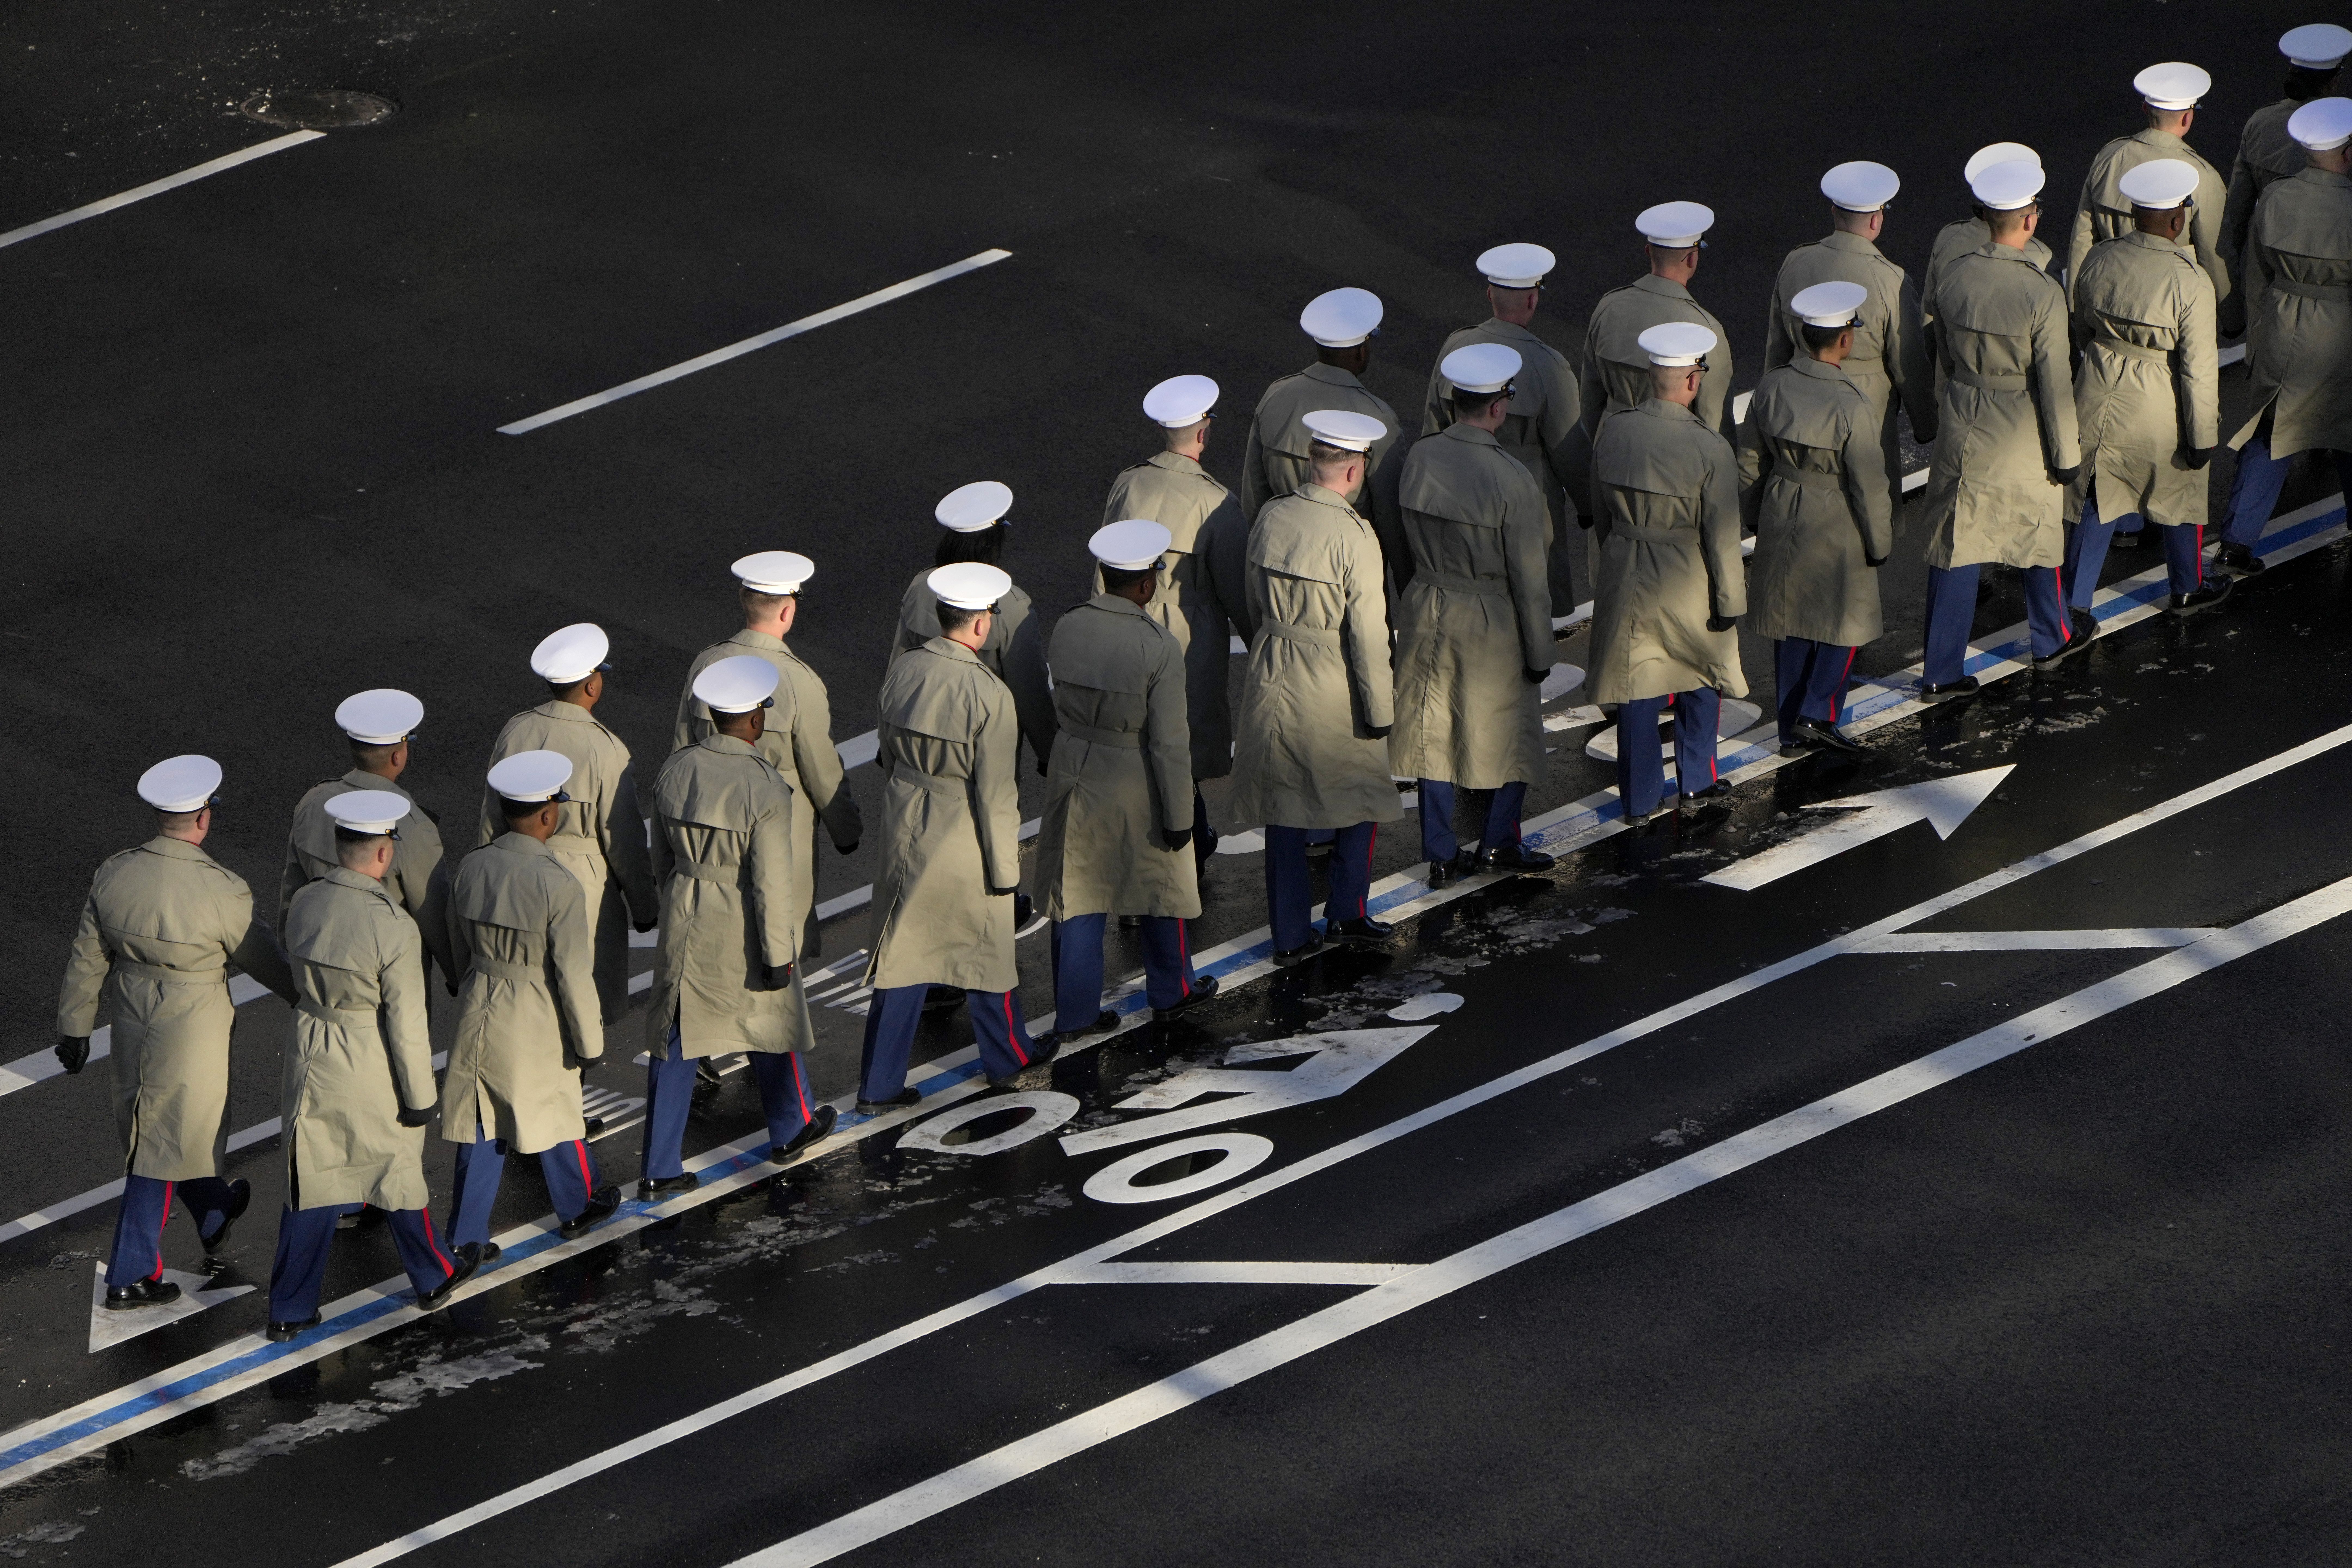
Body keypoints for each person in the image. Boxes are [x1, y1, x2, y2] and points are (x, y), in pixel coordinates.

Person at [56, 755, 295, 1310]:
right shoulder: (223, 889)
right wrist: (313, 999)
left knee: (157, 1126)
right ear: (204, 817)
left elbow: (89, 953)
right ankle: (131, 1273)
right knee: (162, 1145)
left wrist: (75, 1026)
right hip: (192, 1025)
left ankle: (214, 1209)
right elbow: (263, 956)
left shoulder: (116, 872)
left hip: (134, 1016)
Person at [268, 790, 478, 1340]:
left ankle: (289, 1308)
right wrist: (420, 1098)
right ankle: (432, 1273)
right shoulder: (393, 926)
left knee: (311, 1177)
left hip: (312, 1046)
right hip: (368, 1054)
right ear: (384, 853)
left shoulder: (309, 902)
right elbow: (407, 1024)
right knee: (396, 1169)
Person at [859, 565, 1050, 1107]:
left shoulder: (904, 670)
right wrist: (1006, 873)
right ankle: (1007, 1057)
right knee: (987, 950)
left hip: (906, 816)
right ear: (982, 623)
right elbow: (995, 794)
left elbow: (888, 746)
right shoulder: (988, 692)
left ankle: (878, 1083)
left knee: (903, 956)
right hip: (960, 827)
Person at [643, 657, 831, 1193]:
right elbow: (772, 882)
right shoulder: (764, 786)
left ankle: (657, 1168)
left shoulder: (677, 768)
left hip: (687, 907)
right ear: (754, 720)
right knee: (772, 1016)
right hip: (739, 916)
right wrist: (778, 955)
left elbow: (663, 857)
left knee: (676, 1038)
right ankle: (791, 1127)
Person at [1230, 410, 1402, 961]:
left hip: (1274, 669)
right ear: (1355, 470)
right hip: (1331, 679)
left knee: (1284, 809)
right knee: (1363, 793)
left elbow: (1253, 600)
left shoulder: (1274, 516)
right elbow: (1369, 636)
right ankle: (1347, 910)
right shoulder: (1357, 535)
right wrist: (1380, 712)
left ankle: (1289, 935)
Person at [1037, 520, 1218, 1037]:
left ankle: (1075, 1013)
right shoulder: (1156, 644)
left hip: (1076, 766)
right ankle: (1171, 989)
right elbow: (1168, 741)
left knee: (1077, 894)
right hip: (1132, 772)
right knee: (1161, 884)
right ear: (1147, 583)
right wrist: (1182, 816)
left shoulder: (1069, 625)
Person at [440, 750, 620, 1256]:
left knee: (481, 1118)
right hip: (534, 1007)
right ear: (548, 815)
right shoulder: (557, 882)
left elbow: (459, 945)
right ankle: (578, 1204)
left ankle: (467, 1235)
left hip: (482, 998)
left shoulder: (472, 866)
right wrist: (589, 1042)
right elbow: (571, 973)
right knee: (556, 1107)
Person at [1391, 343, 1557, 886]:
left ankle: (1439, 852)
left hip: (1426, 603)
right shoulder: (1510, 477)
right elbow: (1531, 580)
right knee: (1509, 735)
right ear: (1499, 406)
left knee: (1431, 733)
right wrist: (1539, 653)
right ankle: (1498, 841)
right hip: (1487, 615)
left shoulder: (1421, 455)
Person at [1918, 159, 2085, 697]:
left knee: (1957, 546)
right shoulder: (2041, 293)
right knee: (2038, 534)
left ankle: (1941, 670)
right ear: (2030, 220)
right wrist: (2066, 455)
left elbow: (1942, 350)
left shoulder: (1954, 273)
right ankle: (2051, 637)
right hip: (2019, 423)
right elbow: (2055, 383)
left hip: (1965, 418)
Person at [1589, 324, 1746, 823]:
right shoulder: (1708, 446)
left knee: (1635, 683)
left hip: (1627, 564)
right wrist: (1731, 601)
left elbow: (1599, 508)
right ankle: (1696, 781)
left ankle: (1639, 800)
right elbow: (1721, 534)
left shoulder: (1614, 428)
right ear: (1693, 380)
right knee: (1702, 670)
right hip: (1685, 568)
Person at [2063, 160, 2230, 617]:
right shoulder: (2190, 279)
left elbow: (2082, 328)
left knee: (2096, 496)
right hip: (2158, 397)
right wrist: (2202, 437)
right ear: (2179, 220)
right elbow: (2198, 368)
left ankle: (2073, 607)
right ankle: (2187, 586)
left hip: (2097, 389)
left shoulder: (2101, 256)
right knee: (2181, 491)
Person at [673, 551, 862, 956]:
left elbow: (681, 754)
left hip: (712, 829)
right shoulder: (798, 679)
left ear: (745, 600)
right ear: (787, 611)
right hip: (780, 837)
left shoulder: (706, 663)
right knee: (779, 945)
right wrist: (846, 832)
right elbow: (822, 770)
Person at [1101, 375, 1253, 868]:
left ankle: (1188, 837)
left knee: (1141, 740)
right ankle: (1183, 849)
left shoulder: (1129, 482)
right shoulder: (1216, 502)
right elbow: (1241, 594)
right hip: (1189, 641)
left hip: (1127, 625)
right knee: (1179, 745)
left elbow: (1105, 562)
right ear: (1204, 432)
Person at [1739, 283, 1894, 756]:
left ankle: (1789, 730)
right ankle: (1819, 713)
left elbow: (1749, 459)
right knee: (1846, 621)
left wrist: (1756, 516)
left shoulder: (1772, 384)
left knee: (1793, 621)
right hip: (1836, 513)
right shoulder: (1851, 402)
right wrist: (1879, 542)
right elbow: (1868, 481)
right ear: (1845, 339)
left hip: (1784, 504)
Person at [478, 623, 658, 1025]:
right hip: (584, 889)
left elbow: (491, 818)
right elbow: (624, 840)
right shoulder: (605, 748)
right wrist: (645, 907)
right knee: (579, 1002)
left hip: (516, 876)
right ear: (593, 686)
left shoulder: (517, 730)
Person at [2221, 97, 2352, 572]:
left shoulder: (2276, 198)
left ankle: (2236, 542)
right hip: (2340, 335)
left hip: (2282, 326)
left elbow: (2257, 276)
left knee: (2272, 433)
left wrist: (2259, 335)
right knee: (2345, 432)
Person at [1764, 162, 1937, 515]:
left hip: (1803, 407)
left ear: (1833, 211)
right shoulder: (1891, 280)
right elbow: (1909, 366)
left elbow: (1777, 349)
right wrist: (1926, 426)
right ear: (1876, 220)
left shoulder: (1795, 262)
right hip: (1868, 416)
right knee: (1867, 517)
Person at [1421, 243, 1583, 613]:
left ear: (1490, 294)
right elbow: (1569, 450)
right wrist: (1589, 508)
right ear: (1533, 301)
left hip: (1461, 488)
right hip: (1529, 498)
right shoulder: (1550, 365)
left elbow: (1432, 425)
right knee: (1529, 604)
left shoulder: (1456, 346)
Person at [279, 688, 453, 987]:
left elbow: (292, 887)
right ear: (399, 755)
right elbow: (433, 914)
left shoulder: (313, 801)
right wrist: (455, 974)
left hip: (321, 958)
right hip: (386, 968)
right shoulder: (411, 824)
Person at [891, 482, 1057, 774]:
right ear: (994, 542)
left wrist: (888, 738)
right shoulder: (1012, 604)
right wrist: (1049, 752)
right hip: (983, 740)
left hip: (921, 729)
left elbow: (899, 666)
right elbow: (1029, 690)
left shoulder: (920, 587)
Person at [1241, 288, 1407, 567]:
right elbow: (1391, 518)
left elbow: (1255, 492)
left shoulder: (1275, 395)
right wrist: (1403, 583)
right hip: (1347, 564)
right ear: (1360, 351)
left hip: (1280, 556)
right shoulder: (1379, 417)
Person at [2065, 64, 2232, 317]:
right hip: (2167, 308)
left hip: (2107, 299)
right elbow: (2214, 256)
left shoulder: (2109, 157)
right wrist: (2232, 318)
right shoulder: (2203, 176)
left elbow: (2082, 238)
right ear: (2188, 117)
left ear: (2146, 109)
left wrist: (2075, 309)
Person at [1576, 202, 1736, 464]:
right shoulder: (1706, 330)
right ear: (1693, 258)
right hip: (1672, 462)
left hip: (1611, 452)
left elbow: (1590, 402)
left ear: (1649, 251)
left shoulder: (1608, 307)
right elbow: (1716, 429)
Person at [2221, 25, 2352, 333]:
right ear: (2334, 82)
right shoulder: (2344, 130)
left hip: (2270, 261)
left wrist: (2232, 306)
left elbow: (2235, 217)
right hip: (2333, 269)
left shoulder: (2260, 123)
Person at [1924, 144, 2056, 386]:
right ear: (2029, 218)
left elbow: (1930, 313)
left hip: (1954, 389)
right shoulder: (2041, 257)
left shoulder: (1947, 239)